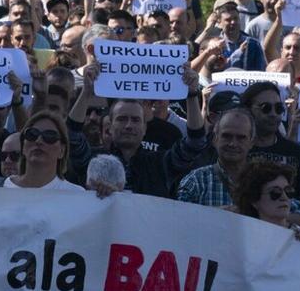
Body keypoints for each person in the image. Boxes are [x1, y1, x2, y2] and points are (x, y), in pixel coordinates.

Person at [67, 61, 207, 197]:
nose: (128, 126)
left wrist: (191, 95)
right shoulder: (93, 160)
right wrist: (86, 93)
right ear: (110, 127)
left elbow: (196, 142)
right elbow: (71, 135)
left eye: (135, 120)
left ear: (144, 128)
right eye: (122, 119)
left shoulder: (161, 164)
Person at [240, 81, 300, 219]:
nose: (273, 114)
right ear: (247, 110)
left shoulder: (295, 152)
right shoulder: (238, 151)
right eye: (266, 108)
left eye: (278, 108)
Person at [232, 159, 300, 236]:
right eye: (275, 193)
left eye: (288, 191)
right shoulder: (242, 239)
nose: (284, 197)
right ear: (254, 200)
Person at [4, 112, 83, 191]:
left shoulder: (77, 194)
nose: (39, 141)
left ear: (62, 151)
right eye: (32, 134)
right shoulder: (1, 187)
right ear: (23, 146)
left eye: (49, 136)